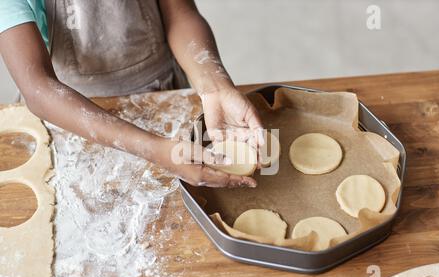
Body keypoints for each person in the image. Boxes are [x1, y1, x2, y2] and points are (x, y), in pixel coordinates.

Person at [0, 0, 264, 188]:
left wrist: (215, 87)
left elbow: (180, 14)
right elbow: (37, 86)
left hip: (164, 96)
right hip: (69, 119)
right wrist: (155, 149)